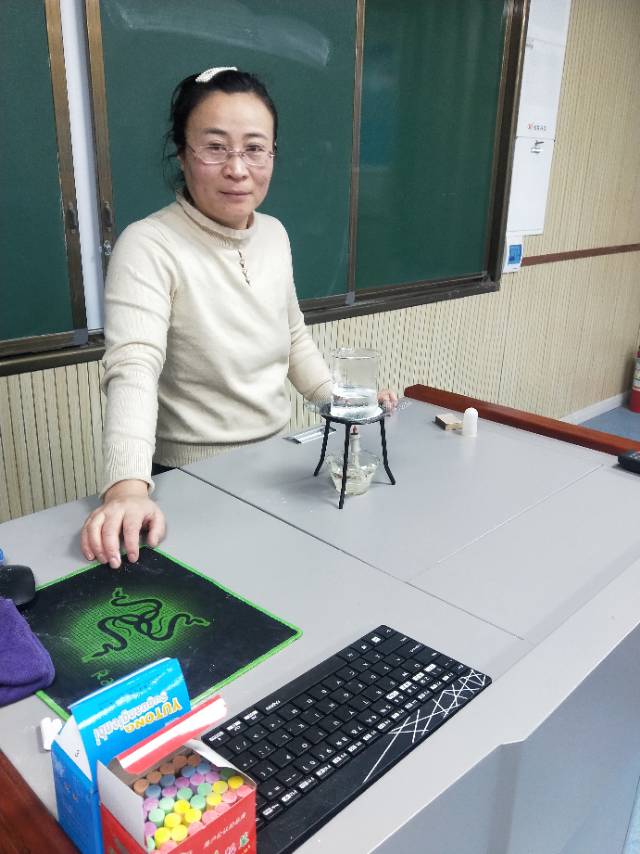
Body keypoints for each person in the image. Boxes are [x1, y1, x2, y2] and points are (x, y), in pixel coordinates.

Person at [81, 67, 396, 569]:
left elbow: (292, 336)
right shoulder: (148, 244)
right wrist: (126, 489)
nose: (237, 168)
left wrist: (342, 402)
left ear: (273, 155)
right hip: (190, 477)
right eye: (214, 147)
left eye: (254, 148)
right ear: (182, 154)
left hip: (278, 462)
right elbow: (133, 366)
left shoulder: (274, 233)